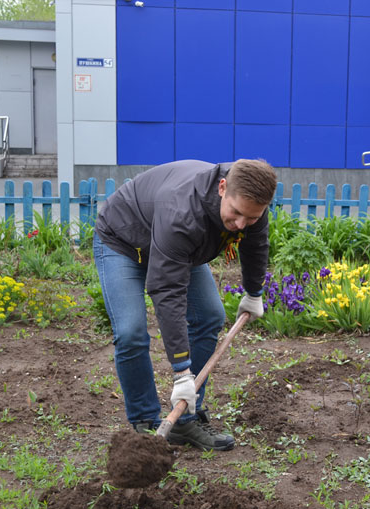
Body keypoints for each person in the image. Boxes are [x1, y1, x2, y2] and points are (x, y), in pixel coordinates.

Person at [93, 159, 276, 451]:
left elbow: (255, 244)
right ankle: (145, 425)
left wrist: (254, 292)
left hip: (177, 248)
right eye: (237, 213)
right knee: (131, 332)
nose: (242, 224)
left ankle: (185, 419)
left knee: (210, 316)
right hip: (123, 241)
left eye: (251, 218)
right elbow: (168, 290)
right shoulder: (182, 212)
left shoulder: (252, 201)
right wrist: (181, 372)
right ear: (222, 187)